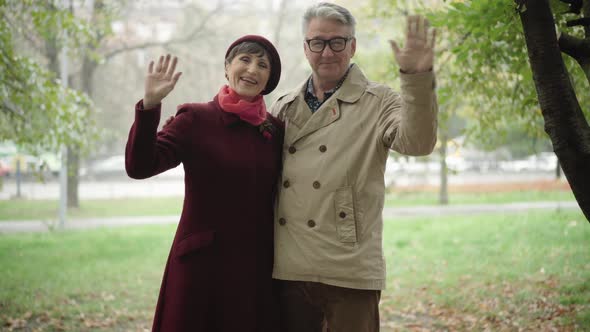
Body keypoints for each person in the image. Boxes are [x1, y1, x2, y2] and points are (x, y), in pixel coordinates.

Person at [269, 3, 438, 331]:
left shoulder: (379, 101)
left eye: (338, 42)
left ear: (353, 46)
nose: (327, 52)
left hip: (350, 269)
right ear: (305, 48)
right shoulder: (283, 106)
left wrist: (417, 80)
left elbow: (418, 143)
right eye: (317, 42)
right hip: (290, 267)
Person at [125, 35, 283, 332]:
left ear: (268, 79)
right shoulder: (196, 118)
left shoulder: (275, 131)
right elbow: (140, 167)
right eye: (245, 60)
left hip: (254, 269)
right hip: (200, 267)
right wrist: (150, 104)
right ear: (227, 67)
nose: (252, 69)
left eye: (262, 65)